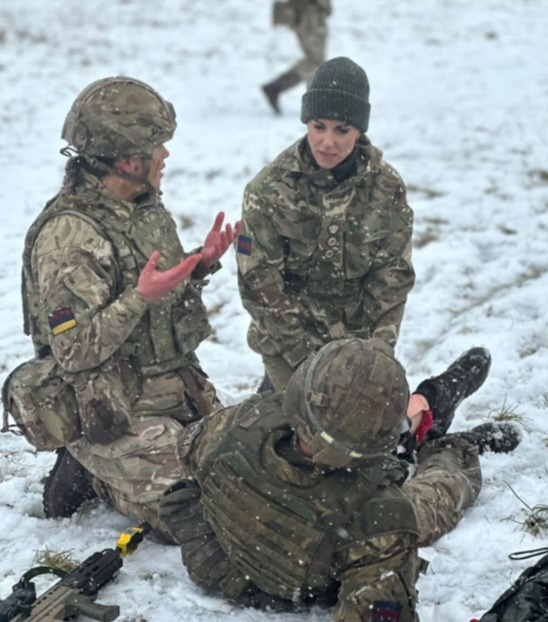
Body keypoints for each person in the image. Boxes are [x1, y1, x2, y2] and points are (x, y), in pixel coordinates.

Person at [2, 76, 239, 534]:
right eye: (158, 147)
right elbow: (72, 351)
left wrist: (198, 265)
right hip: (113, 403)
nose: (164, 157)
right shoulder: (70, 236)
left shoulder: (140, 206)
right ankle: (93, 469)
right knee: (200, 515)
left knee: (253, 475)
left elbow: (151, 290)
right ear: (129, 159)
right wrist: (138, 299)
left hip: (172, 384)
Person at [158, 340, 521, 621]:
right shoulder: (378, 519)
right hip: (322, 545)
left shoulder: (242, 421)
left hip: (240, 567)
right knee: (437, 495)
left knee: (362, 444)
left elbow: (189, 447)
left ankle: (426, 405)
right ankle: (452, 445)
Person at [239, 56, 415, 391]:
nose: (327, 142)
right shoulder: (268, 190)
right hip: (288, 347)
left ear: (360, 129)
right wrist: (306, 363)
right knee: (298, 436)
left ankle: (436, 398)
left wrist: (375, 356)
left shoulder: (387, 188)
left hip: (357, 348)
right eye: (318, 126)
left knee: (373, 432)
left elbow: (391, 281)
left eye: (342, 130)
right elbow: (259, 284)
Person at [262, 0, 331, 114]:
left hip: (314, 15)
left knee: (316, 61)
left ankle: (314, 102)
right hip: (309, 16)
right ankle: (314, 102)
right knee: (315, 61)